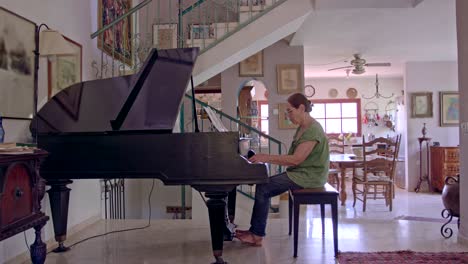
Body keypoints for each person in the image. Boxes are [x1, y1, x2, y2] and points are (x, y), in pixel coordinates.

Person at [235, 93, 330, 246]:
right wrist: (266, 158)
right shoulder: (303, 128)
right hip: (301, 173)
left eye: (290, 111)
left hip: (310, 176)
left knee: (264, 187)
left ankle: (256, 235)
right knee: (264, 185)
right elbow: (294, 159)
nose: (288, 116)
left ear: (301, 108)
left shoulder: (313, 130)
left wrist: (266, 157)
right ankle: (254, 231)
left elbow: (296, 159)